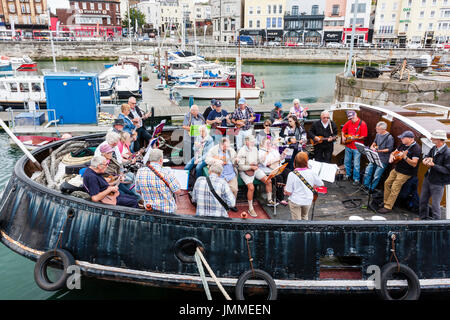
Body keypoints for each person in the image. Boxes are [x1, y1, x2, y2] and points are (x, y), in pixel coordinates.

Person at [377, 130, 421, 214]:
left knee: (395, 187)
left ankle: (388, 207)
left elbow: (414, 164)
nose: (401, 139)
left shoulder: (416, 149)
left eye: (403, 138)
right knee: (387, 183)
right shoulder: (402, 145)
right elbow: (393, 153)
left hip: (406, 172)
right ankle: (386, 201)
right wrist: (391, 157)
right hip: (397, 169)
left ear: (410, 138)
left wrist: (405, 157)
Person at [135, 149, 182, 214]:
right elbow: (177, 191)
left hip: (149, 209)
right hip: (167, 210)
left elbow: (138, 190)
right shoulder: (166, 172)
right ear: (161, 160)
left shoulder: (140, 171)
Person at [237, 135, 274, 217]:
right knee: (251, 187)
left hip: (255, 168)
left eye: (254, 141)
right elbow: (240, 167)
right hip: (245, 171)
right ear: (247, 142)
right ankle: (250, 208)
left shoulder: (254, 149)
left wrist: (264, 157)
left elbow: (258, 160)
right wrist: (251, 167)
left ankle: (269, 200)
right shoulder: (242, 151)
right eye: (252, 141)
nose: (254, 143)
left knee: (269, 180)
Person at [418, 130, 450, 220]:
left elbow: (447, 170)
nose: (431, 139)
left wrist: (433, 165)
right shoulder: (434, 148)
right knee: (423, 201)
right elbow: (428, 156)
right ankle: (423, 218)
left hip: (438, 182)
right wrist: (425, 159)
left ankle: (437, 224)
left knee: (436, 205)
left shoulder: (448, 153)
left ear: (440, 140)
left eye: (433, 138)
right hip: (428, 178)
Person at [284, 152, 323, 220]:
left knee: (297, 221)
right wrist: (314, 185)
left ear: (295, 162)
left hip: (295, 201)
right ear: (306, 162)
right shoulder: (312, 172)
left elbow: (288, 192)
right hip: (308, 200)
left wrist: (285, 189)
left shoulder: (292, 174)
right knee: (304, 217)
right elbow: (321, 184)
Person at [362, 121, 394, 191]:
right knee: (368, 171)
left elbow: (389, 149)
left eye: (378, 129)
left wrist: (379, 151)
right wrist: (372, 146)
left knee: (376, 176)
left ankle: (371, 189)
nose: (376, 130)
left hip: (383, 159)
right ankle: (366, 185)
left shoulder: (389, 138)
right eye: (376, 129)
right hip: (375, 156)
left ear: (383, 129)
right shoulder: (378, 134)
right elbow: (375, 142)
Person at [259, 137, 290, 204]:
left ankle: (285, 189)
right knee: (279, 178)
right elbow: (267, 164)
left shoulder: (273, 150)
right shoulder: (261, 152)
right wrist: (276, 159)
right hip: (269, 171)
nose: (269, 145)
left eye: (269, 143)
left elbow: (280, 159)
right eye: (267, 143)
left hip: (277, 167)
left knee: (289, 172)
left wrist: (283, 155)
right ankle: (280, 198)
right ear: (262, 144)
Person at [341, 110, 368, 185]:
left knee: (356, 164)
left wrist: (355, 138)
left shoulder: (362, 124)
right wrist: (343, 137)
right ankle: (347, 175)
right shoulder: (349, 122)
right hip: (348, 145)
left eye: (352, 118)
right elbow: (343, 130)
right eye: (350, 118)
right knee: (347, 161)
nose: (351, 119)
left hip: (357, 147)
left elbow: (363, 136)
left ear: (355, 115)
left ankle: (356, 179)